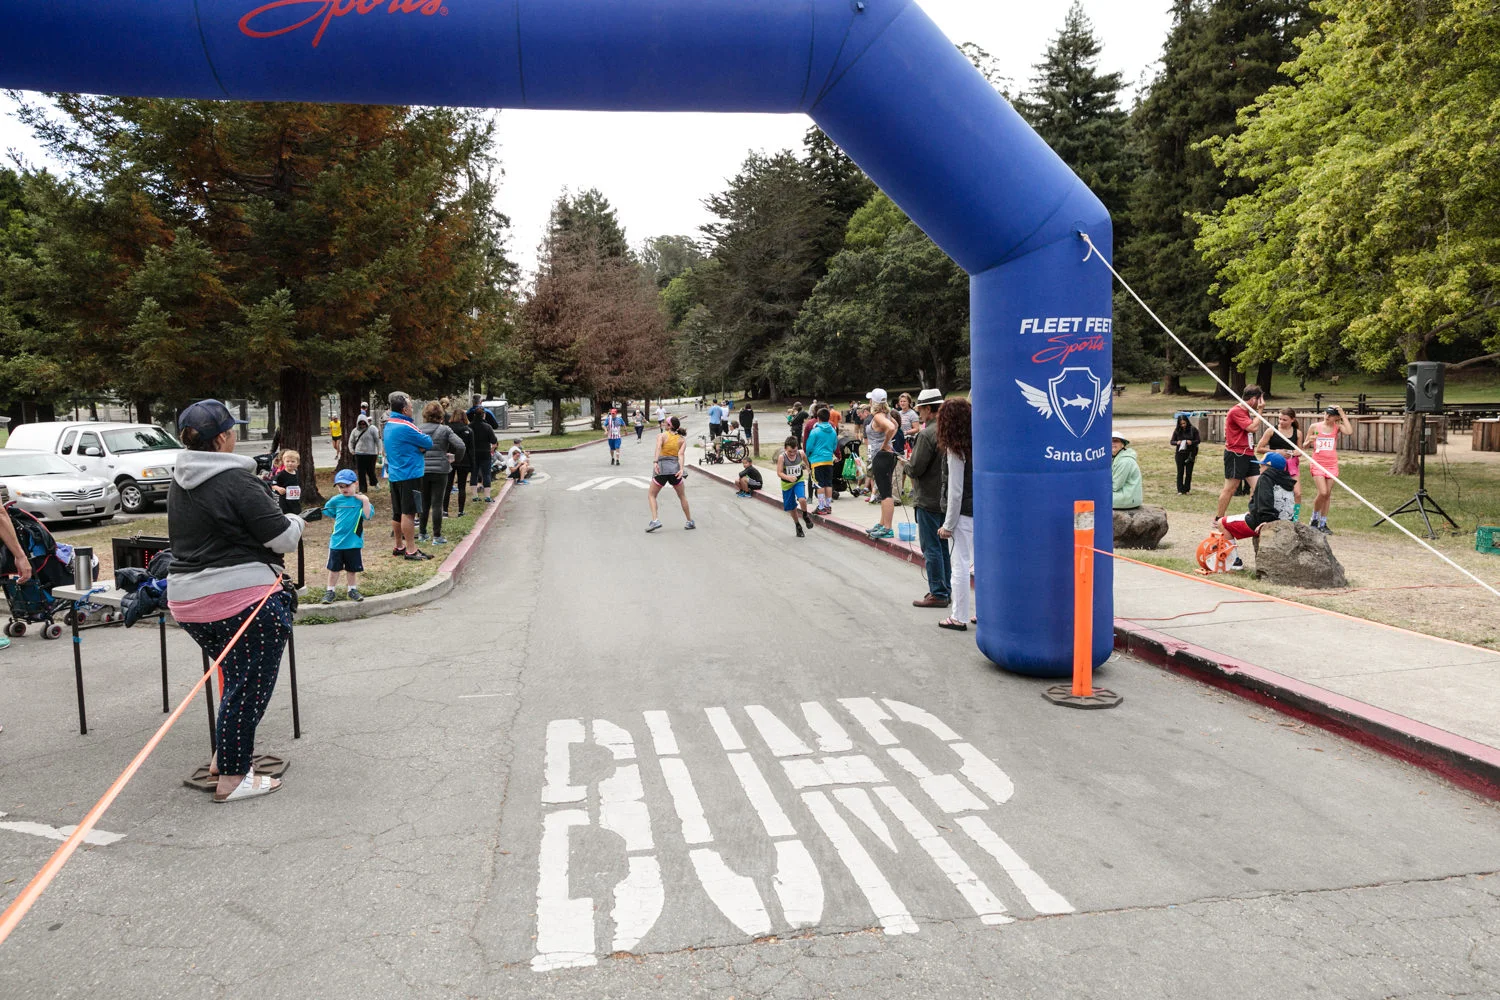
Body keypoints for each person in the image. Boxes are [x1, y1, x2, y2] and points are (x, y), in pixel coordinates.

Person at [167, 399, 302, 803]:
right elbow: (282, 538)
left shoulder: (179, 481)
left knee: (238, 679)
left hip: (188, 601)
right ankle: (233, 777)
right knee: (248, 687)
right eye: (233, 430)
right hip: (243, 599)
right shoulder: (238, 481)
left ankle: (224, 759)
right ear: (224, 436)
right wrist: (296, 520)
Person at [906, 389, 950, 609]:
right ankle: (945, 589)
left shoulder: (926, 434)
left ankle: (938, 592)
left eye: (920, 409)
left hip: (928, 498)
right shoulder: (948, 430)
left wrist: (905, 463)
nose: (919, 414)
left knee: (931, 547)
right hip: (944, 498)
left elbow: (915, 468)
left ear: (928, 409)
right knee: (942, 547)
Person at [936, 398, 974, 631]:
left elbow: (955, 490)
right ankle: (984, 612)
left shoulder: (955, 449)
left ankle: (959, 616)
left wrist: (948, 524)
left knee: (960, 564)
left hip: (963, 514)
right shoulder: (980, 443)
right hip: (982, 510)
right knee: (981, 564)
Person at [382, 391, 435, 561]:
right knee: (409, 512)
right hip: (410, 473)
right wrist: (419, 448)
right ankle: (411, 549)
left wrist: (415, 447)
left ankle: (399, 545)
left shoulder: (389, 424)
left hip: (395, 474)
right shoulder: (406, 426)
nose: (412, 409)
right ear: (404, 409)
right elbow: (428, 442)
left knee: (397, 512)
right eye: (411, 406)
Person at [319, 469, 374, 604]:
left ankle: (352, 589)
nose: (344, 489)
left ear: (356, 484)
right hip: (337, 542)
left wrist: (365, 500)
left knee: (352, 569)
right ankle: (330, 591)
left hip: (353, 542)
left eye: (347, 486)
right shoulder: (336, 500)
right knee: (334, 569)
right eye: (340, 486)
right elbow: (329, 511)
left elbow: (368, 516)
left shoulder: (360, 501)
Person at [1215, 385, 1265, 522]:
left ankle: (1253, 516)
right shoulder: (1236, 411)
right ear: (1253, 399)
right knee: (1231, 488)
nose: (1261, 403)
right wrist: (1260, 411)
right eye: (1259, 400)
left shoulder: (1246, 411)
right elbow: (1252, 427)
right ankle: (1218, 518)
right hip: (1236, 454)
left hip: (1248, 453)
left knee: (1259, 486)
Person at [417, 401, 464, 545]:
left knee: (424, 502)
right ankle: (437, 536)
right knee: (437, 503)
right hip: (440, 469)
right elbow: (461, 445)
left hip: (422, 468)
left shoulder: (418, 429)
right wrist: (456, 459)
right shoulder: (445, 430)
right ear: (441, 415)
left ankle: (422, 533)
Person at [1304, 404, 1351, 534]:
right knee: (1323, 492)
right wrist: (1309, 441)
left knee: (1328, 494)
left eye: (1331, 415)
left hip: (1331, 464)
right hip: (1317, 463)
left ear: (1336, 418)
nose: (1327, 416)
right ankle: (1314, 518)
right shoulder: (1315, 426)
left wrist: (1342, 413)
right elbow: (1304, 446)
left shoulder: (1337, 427)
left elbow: (1349, 431)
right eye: (1326, 413)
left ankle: (1323, 523)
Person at [647, 416, 695, 532]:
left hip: (662, 469)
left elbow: (658, 447)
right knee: (682, 496)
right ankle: (689, 521)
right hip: (675, 470)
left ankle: (655, 520)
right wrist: (681, 469)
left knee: (652, 495)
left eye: (665, 423)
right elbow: (681, 455)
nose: (664, 424)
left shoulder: (662, 436)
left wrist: (655, 462)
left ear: (670, 425)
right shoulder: (682, 440)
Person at [864, 391, 899, 539]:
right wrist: (888, 442)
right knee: (884, 491)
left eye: (871, 399)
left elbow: (891, 427)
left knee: (885, 493)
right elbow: (896, 425)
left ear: (874, 402)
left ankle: (887, 528)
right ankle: (882, 523)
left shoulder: (879, 415)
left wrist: (884, 444)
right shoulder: (886, 413)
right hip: (884, 456)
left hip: (882, 456)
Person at [1257, 407, 1303, 517]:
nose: (1281, 422)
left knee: (1297, 493)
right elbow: (1259, 448)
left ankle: (1295, 517)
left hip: (1291, 465)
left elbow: (1299, 451)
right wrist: (1277, 452)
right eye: (1280, 419)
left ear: (1292, 420)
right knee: (1270, 492)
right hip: (1274, 464)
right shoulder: (1271, 431)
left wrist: (1291, 453)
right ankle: (1267, 514)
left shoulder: (1298, 433)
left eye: (1284, 420)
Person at [776, 435, 814, 537]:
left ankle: (805, 515)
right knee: (792, 507)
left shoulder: (801, 453)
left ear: (797, 448)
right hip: (786, 484)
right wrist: (788, 478)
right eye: (790, 452)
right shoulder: (782, 457)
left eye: (794, 451)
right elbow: (779, 473)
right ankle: (798, 525)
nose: (792, 454)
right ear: (785, 448)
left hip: (798, 481)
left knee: (802, 499)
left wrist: (808, 467)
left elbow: (805, 459)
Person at [805, 407, 839, 515]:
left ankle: (821, 507)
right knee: (828, 484)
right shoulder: (833, 431)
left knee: (819, 484)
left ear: (818, 418)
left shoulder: (815, 431)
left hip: (817, 460)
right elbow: (834, 446)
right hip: (828, 460)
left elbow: (809, 447)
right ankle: (828, 506)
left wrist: (808, 456)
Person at [445, 409, 475, 518]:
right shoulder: (468, 430)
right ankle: (460, 511)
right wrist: (473, 464)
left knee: (447, 486)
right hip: (464, 460)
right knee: (462, 486)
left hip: (449, 459)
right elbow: (471, 449)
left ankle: (445, 511)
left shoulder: (447, 429)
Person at [468, 408, 499, 503]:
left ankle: (475, 496)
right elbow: (493, 440)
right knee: (486, 474)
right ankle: (487, 497)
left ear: (474, 415)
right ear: (484, 415)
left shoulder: (469, 426)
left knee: (474, 473)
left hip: (473, 453)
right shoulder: (487, 427)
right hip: (485, 452)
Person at [349, 414, 382, 494]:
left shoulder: (372, 429)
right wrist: (351, 449)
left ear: (366, 422)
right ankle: (362, 489)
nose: (362, 425)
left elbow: (378, 440)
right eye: (360, 423)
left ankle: (375, 483)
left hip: (371, 454)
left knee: (370, 470)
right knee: (361, 472)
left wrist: (380, 450)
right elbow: (351, 441)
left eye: (364, 423)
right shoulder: (355, 431)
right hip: (359, 454)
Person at [1170, 413, 1200, 494]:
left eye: (1184, 423)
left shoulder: (1193, 429)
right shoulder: (1177, 431)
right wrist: (1177, 442)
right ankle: (1180, 489)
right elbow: (1171, 441)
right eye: (1181, 424)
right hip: (1180, 454)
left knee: (1189, 472)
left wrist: (1191, 442)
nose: (1183, 425)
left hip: (1190, 453)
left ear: (1187, 422)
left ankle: (1187, 489)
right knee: (1180, 472)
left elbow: (1198, 440)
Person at [1111, 434, 1142, 510]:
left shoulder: (1125, 461)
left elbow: (1115, 486)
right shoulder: (1115, 458)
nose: (1112, 443)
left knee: (1096, 498)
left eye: (1116, 441)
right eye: (1110, 441)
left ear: (1122, 445)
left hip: (1128, 497)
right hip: (1125, 495)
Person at [269, 449, 303, 515]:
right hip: (284, 502)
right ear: (283, 462)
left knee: (297, 516)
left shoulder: (297, 473)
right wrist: (278, 488)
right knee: (287, 516)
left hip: (296, 502)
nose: (290, 463)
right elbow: (272, 485)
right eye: (287, 461)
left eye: (293, 461)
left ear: (298, 463)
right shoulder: (281, 474)